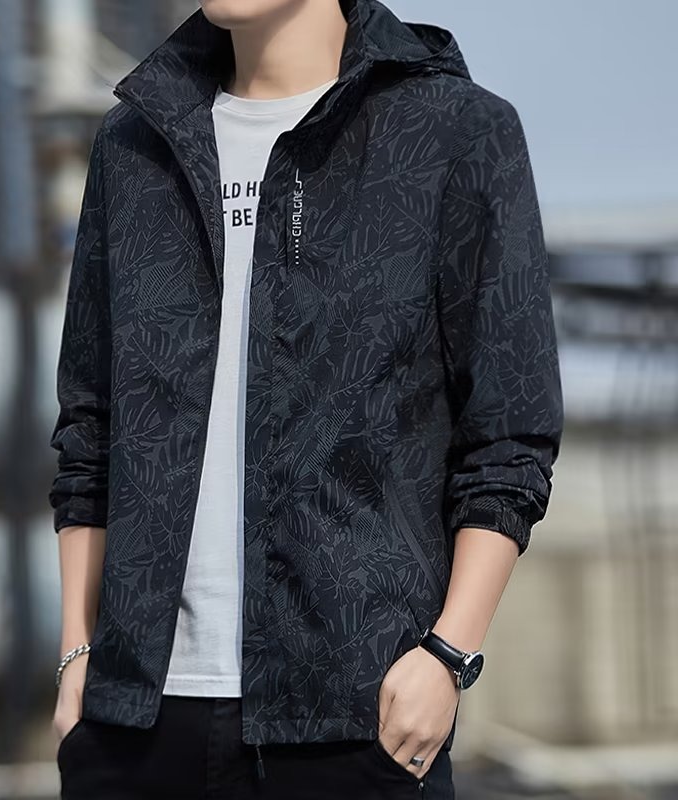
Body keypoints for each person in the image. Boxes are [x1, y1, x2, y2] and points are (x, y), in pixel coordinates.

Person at [48, 0, 564, 797]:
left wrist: (447, 655)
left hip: (355, 716)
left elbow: (509, 431)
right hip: (133, 722)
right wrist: (78, 652)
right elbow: (91, 426)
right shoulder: (135, 140)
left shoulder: (455, 133)